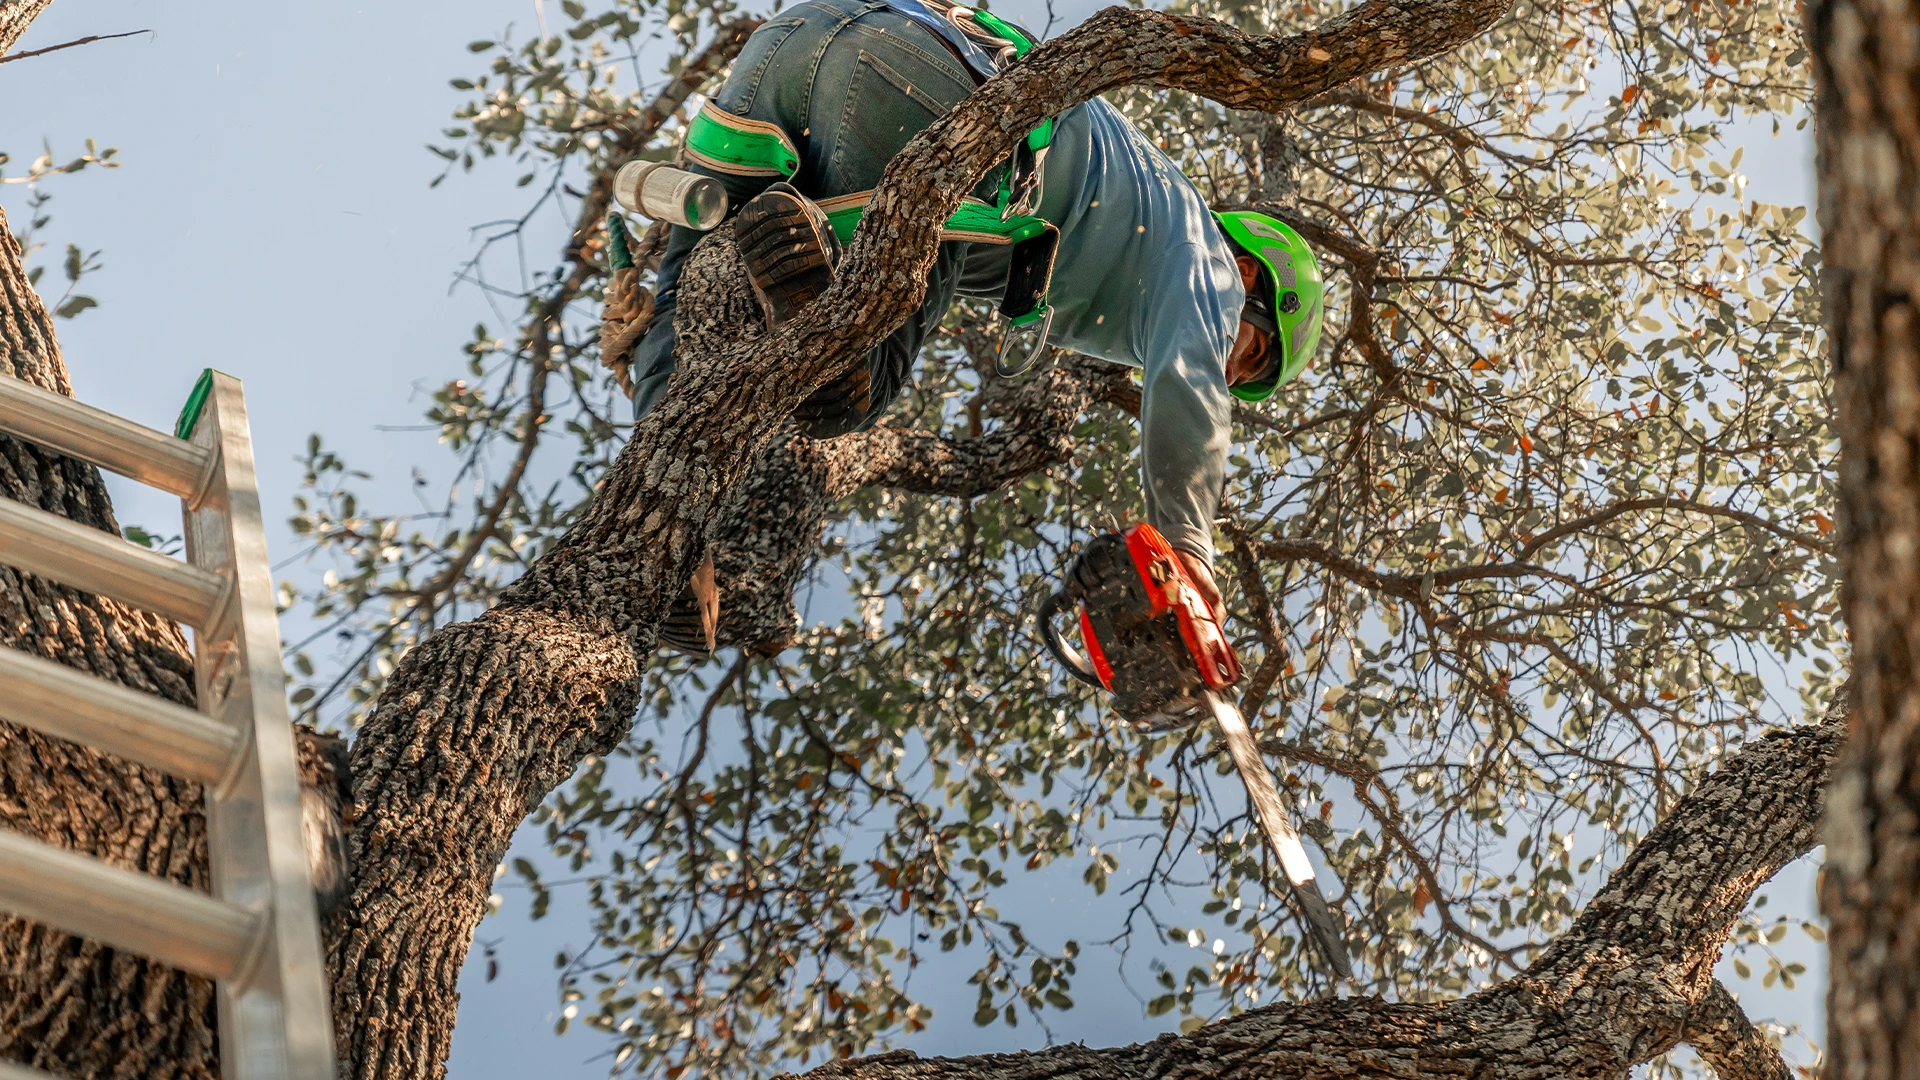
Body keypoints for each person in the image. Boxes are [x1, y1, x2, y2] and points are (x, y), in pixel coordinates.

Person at [625, 0, 1325, 615]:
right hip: (920, 90)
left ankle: (664, 539)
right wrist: (1188, 551)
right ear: (1245, 272)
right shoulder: (1202, 257)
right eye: (1249, 350)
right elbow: (1191, 385)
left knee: (681, 307)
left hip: (782, 53)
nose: (1226, 371)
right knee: (858, 378)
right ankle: (818, 313)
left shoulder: (1136, 216)